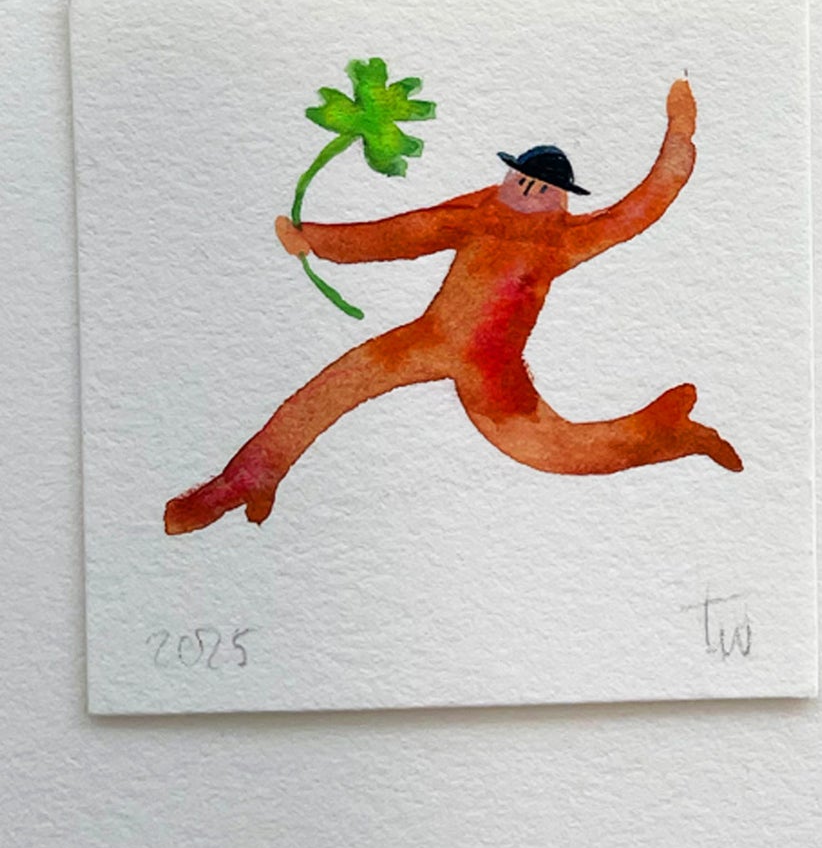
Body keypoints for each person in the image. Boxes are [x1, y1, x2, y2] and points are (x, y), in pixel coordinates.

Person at [164, 78, 740, 535]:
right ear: (508, 176)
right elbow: (402, 233)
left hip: (493, 371)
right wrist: (314, 239)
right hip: (428, 338)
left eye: (543, 188)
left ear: (562, 201)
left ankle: (662, 434)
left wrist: (680, 129)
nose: (529, 191)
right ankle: (246, 478)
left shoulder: (564, 240)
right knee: (328, 390)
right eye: (522, 180)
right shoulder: (476, 217)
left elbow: (644, 205)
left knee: (552, 449)